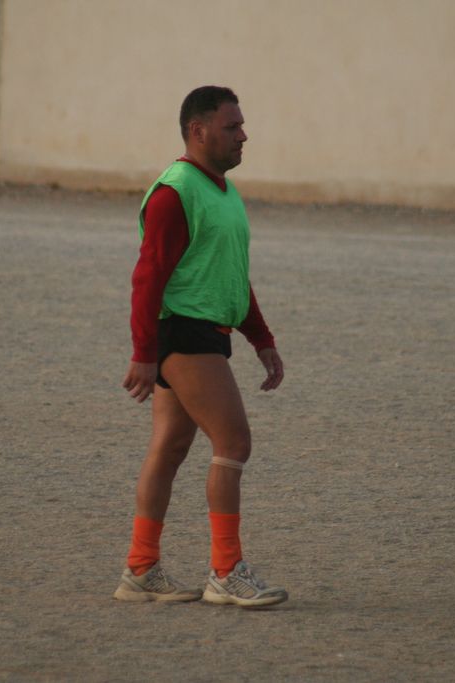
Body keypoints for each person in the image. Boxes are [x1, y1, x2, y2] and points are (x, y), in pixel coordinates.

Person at [113, 86, 288, 608]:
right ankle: (226, 571)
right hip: (186, 334)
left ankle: (140, 568)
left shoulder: (224, 191)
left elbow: (231, 272)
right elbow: (147, 278)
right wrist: (144, 353)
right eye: (232, 127)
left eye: (242, 125)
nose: (243, 135)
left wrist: (261, 338)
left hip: (207, 332)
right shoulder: (175, 193)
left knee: (169, 448)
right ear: (198, 131)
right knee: (233, 442)